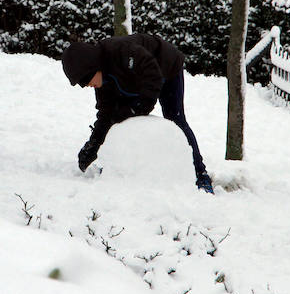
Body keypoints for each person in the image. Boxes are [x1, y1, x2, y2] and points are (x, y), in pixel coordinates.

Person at [61, 33, 214, 193]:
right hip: (136, 82)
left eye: (84, 80)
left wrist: (137, 108)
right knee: (119, 117)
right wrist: (93, 146)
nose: (85, 86)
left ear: (92, 67)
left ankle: (200, 174)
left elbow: (153, 77)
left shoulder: (121, 52)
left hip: (166, 68)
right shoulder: (103, 84)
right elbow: (106, 115)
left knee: (175, 118)